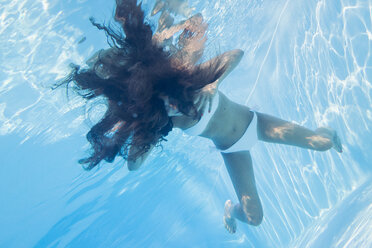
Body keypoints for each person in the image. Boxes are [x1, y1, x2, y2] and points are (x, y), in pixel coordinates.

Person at [55, 0, 342, 234]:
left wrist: (212, 83)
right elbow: (134, 165)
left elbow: (235, 54)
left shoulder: (187, 79)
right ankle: (231, 209)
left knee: (322, 143)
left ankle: (325, 131)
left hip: (255, 122)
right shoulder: (159, 122)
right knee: (254, 219)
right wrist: (140, 131)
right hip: (233, 150)